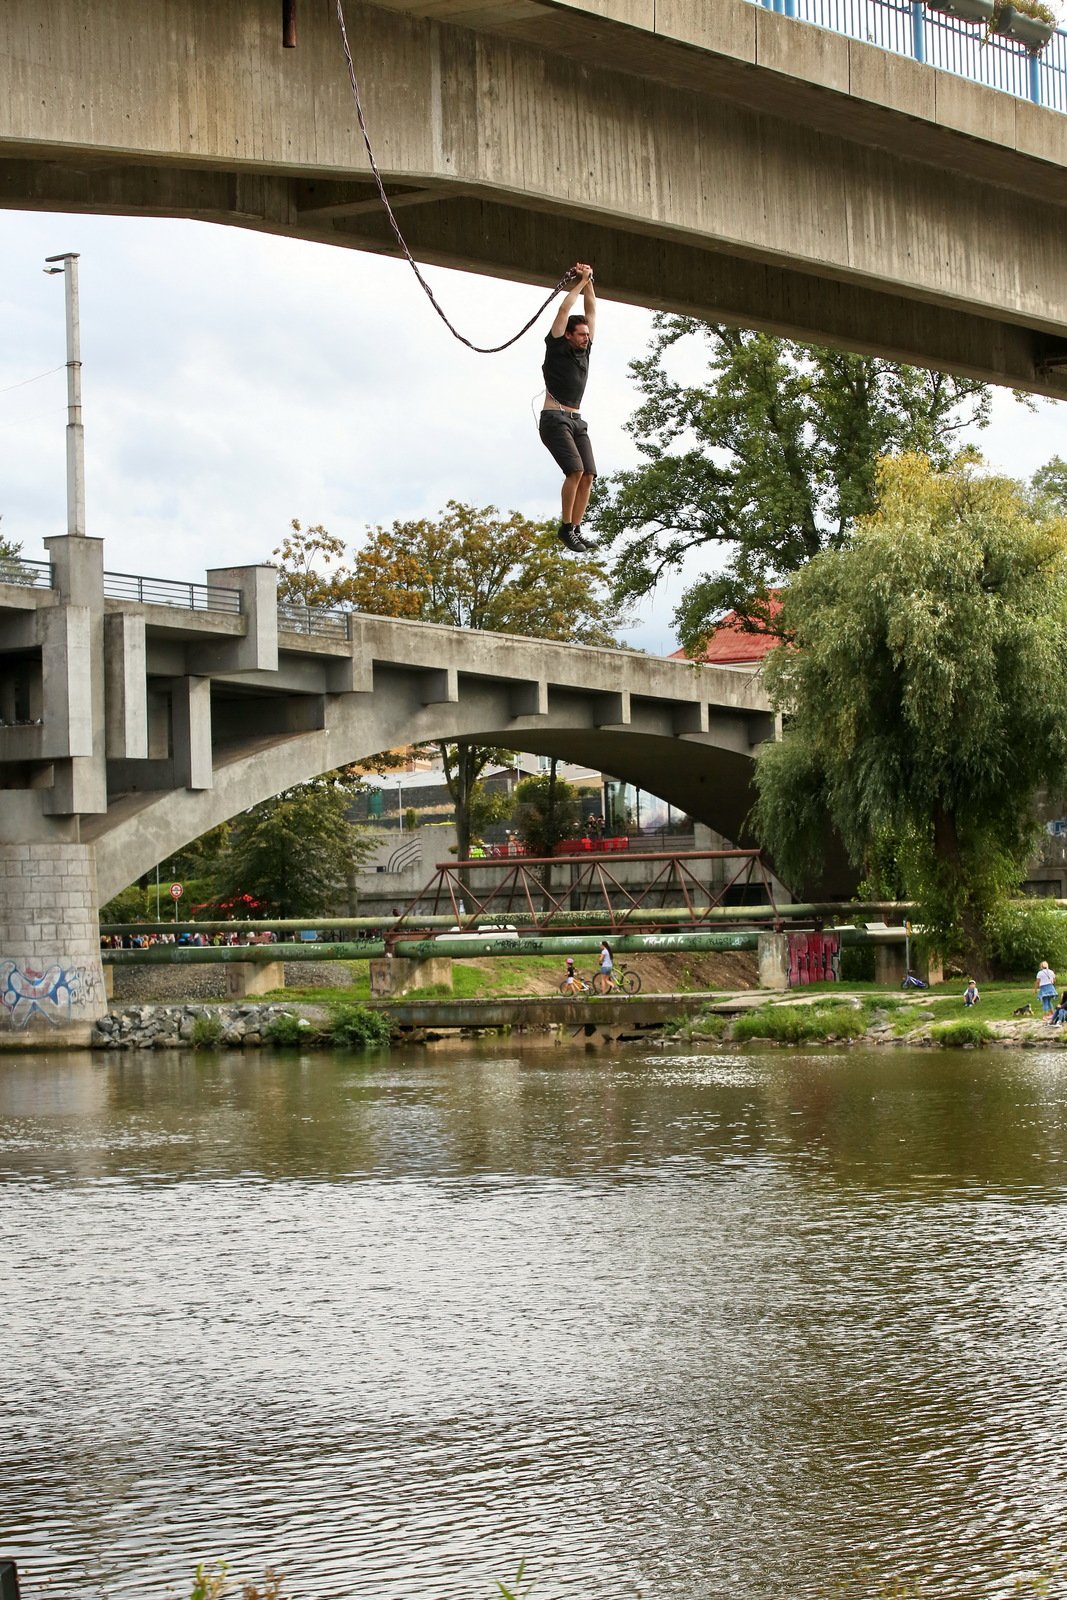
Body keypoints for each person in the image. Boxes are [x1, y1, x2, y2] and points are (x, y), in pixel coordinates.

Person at [539, 262, 597, 553]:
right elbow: (565, 311)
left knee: (589, 474)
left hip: (576, 420)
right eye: (581, 334)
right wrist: (577, 283)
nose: (586, 337)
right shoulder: (557, 345)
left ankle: (576, 528)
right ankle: (565, 528)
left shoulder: (585, 351)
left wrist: (589, 282)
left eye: (587, 334)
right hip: (554, 418)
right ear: (570, 335)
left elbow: (592, 312)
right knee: (574, 470)